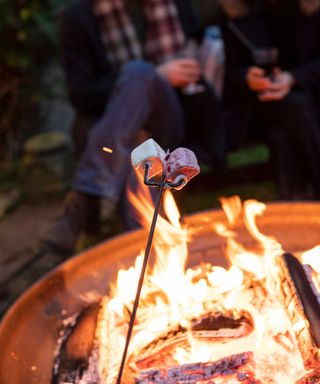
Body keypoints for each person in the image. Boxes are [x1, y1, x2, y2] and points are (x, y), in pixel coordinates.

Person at [43, 0, 226, 255]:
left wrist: (157, 78)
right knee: (137, 137)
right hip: (121, 130)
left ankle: (85, 194)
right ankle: (152, 257)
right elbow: (83, 95)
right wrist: (151, 77)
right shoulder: (79, 17)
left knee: (137, 72)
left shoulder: (175, 5)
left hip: (170, 121)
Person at [220, 0, 320, 200]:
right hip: (265, 105)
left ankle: (296, 209)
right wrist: (248, 78)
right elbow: (231, 77)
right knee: (295, 107)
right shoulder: (264, 12)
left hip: (304, 105)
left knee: (280, 138)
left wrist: (294, 78)